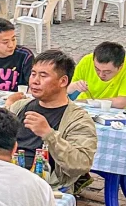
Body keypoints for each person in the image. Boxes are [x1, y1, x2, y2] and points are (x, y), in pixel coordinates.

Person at [6, 50, 96, 191]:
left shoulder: (78, 120)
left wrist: (49, 134)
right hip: (7, 175)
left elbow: (81, 165)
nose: (35, 81)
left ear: (63, 81)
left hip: (45, 186)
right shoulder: (19, 107)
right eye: (33, 74)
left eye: (43, 76)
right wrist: (6, 110)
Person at [69, 40, 126, 107]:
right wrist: (74, 86)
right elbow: (65, 89)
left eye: (107, 71)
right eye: (97, 69)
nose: (101, 75)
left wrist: (87, 101)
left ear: (120, 67)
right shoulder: (87, 61)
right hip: (84, 106)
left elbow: (121, 102)